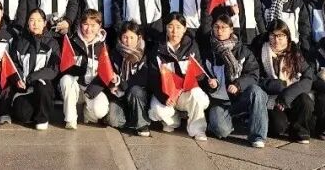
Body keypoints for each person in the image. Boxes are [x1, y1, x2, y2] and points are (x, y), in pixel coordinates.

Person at [201, 10, 268, 148]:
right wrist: (211, 85)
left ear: (231, 29)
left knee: (257, 92)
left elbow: (254, 74)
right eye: (216, 27)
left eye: (224, 27)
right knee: (221, 130)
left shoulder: (243, 51)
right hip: (219, 102)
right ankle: (229, 122)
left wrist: (238, 84)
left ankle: (257, 136)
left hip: (239, 98)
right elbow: (201, 76)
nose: (219, 31)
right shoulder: (207, 52)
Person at [149, 12, 210, 140]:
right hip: (166, 93)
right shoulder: (158, 48)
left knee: (198, 96)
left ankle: (198, 130)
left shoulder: (192, 46)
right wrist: (163, 97)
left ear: (185, 28)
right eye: (170, 26)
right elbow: (153, 79)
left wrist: (202, 78)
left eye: (178, 27)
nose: (174, 31)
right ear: (165, 27)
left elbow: (200, 73)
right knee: (157, 111)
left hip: (185, 92)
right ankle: (174, 120)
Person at [0, 8, 59, 130]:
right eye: (32, 20)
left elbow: (53, 69)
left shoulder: (52, 43)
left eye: (39, 20)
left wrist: (32, 77)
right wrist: (18, 78)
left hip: (42, 87)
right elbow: (14, 63)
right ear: (27, 22)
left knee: (43, 86)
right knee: (23, 115)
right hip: (25, 88)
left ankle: (42, 120)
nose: (35, 24)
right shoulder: (20, 42)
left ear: (45, 23)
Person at [257, 20, 314, 142]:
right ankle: (285, 124)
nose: (276, 40)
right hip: (272, 98)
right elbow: (256, 79)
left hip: (291, 96)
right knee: (278, 128)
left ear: (287, 37)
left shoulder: (295, 53)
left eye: (281, 36)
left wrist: (287, 95)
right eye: (273, 35)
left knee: (305, 100)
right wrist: (277, 85)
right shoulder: (260, 52)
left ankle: (300, 132)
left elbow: (308, 77)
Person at [58, 9, 111, 129]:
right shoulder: (72, 41)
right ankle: (70, 119)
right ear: (81, 25)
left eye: (93, 25)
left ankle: (88, 113)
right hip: (75, 87)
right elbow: (63, 67)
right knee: (66, 80)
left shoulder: (104, 46)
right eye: (85, 24)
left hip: (92, 88)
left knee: (100, 110)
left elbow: (105, 74)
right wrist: (78, 70)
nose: (89, 29)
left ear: (100, 26)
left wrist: (91, 91)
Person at [103, 21, 153, 136]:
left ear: (138, 37)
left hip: (138, 94)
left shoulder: (145, 53)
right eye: (125, 37)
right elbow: (109, 73)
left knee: (135, 90)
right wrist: (112, 85)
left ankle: (141, 124)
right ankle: (130, 121)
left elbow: (143, 78)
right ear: (120, 37)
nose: (128, 41)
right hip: (119, 95)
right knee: (113, 120)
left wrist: (122, 83)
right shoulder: (115, 52)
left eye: (132, 37)